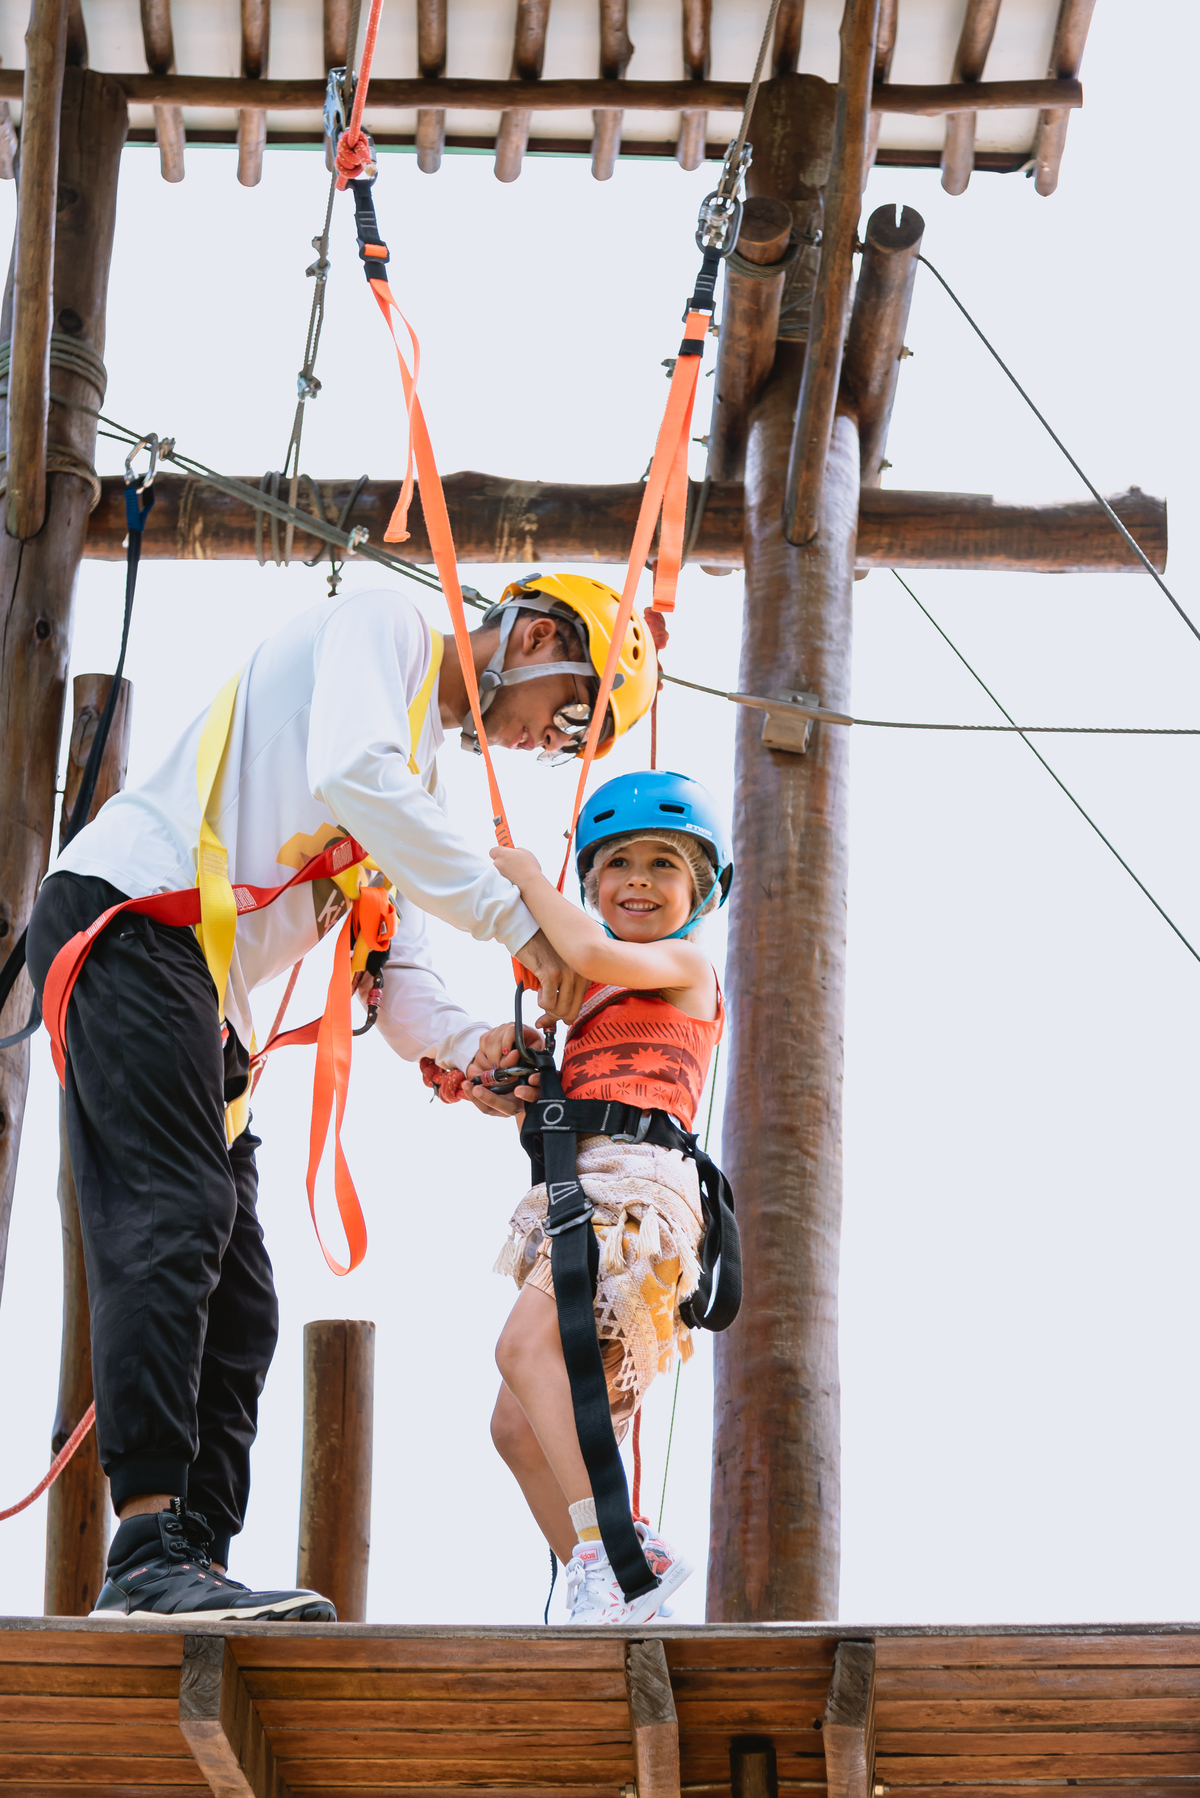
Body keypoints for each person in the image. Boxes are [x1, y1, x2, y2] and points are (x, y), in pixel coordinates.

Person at [24, 572, 655, 1622]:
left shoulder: (417, 789)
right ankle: (143, 1550)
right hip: (129, 917)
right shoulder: (385, 627)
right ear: (538, 637)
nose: (548, 741)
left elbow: (399, 975)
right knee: (179, 1213)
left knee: (242, 1298)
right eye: (570, 716)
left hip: (194, 983)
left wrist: (474, 1048)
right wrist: (518, 920)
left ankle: (192, 1562)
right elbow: (352, 774)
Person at [481, 770, 732, 1625]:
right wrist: (511, 1078)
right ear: (593, 884)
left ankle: (620, 1552)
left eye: (663, 866)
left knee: (523, 1348)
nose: (637, 881)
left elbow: (588, 952)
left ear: (698, 895)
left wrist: (528, 880)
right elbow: (561, 1095)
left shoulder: (684, 966)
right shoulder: (590, 1002)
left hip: (635, 1195)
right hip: (583, 1186)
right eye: (618, 863)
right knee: (517, 1428)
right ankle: (618, 1592)